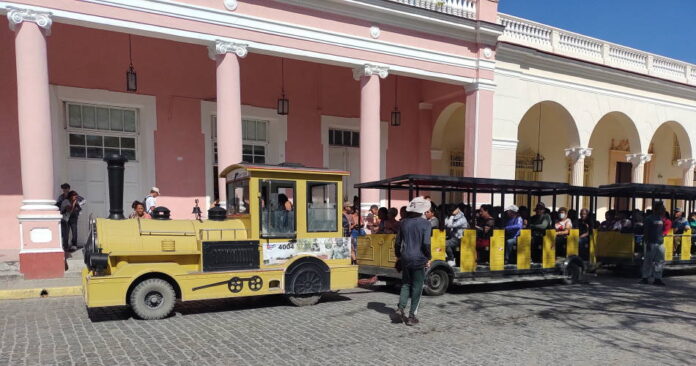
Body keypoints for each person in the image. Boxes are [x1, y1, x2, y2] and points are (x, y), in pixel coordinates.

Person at [394, 197, 431, 326]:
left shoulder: (403, 223)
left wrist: (398, 256)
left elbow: (398, 242)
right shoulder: (426, 224)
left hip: (405, 257)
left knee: (405, 284)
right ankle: (411, 316)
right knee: (417, 286)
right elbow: (426, 243)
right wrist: (428, 257)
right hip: (419, 258)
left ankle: (400, 308)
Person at [641, 202, 667, 286]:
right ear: (656, 209)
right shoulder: (649, 218)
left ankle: (657, 278)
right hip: (651, 242)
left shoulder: (662, 219)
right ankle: (645, 277)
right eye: (661, 208)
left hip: (660, 243)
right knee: (648, 261)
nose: (663, 209)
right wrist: (647, 242)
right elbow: (646, 231)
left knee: (659, 261)